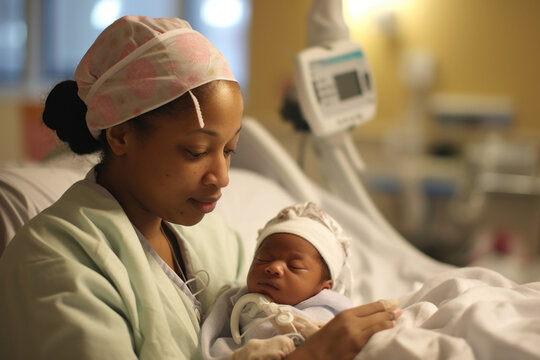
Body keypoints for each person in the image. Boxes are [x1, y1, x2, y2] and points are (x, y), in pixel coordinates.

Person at [0, 15, 399, 360]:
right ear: (121, 136)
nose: (222, 177)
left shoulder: (215, 237)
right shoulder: (55, 260)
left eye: (229, 151)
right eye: (196, 151)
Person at [201, 202, 401, 360]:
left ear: (324, 287)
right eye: (263, 259)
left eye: (295, 266)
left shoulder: (329, 312)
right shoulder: (234, 302)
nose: (273, 268)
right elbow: (209, 342)